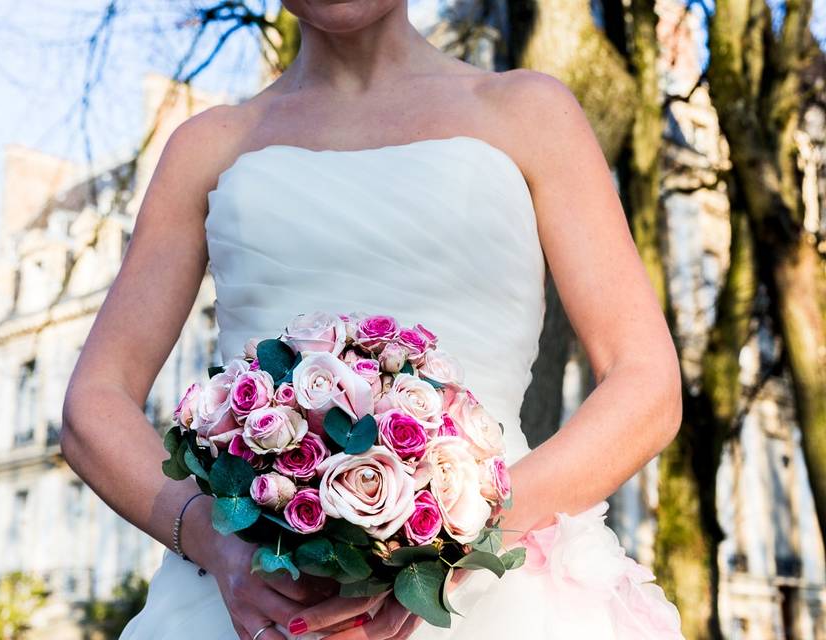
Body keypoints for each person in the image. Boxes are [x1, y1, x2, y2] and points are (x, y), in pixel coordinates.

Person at [60, 0, 687, 637]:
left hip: (498, 597)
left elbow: (646, 382)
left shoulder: (529, 113)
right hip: (259, 599)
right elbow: (94, 403)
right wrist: (208, 537)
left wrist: (463, 539)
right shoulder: (205, 146)